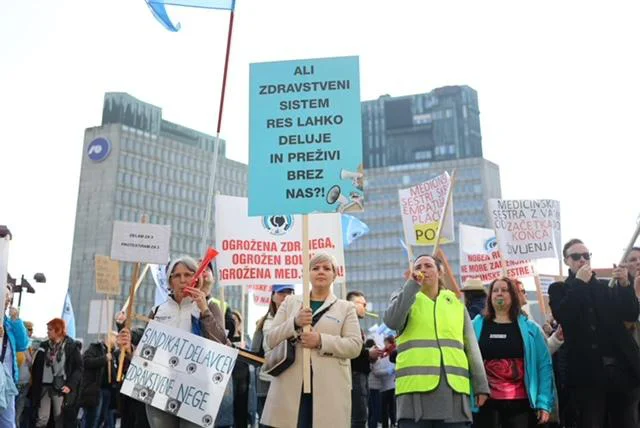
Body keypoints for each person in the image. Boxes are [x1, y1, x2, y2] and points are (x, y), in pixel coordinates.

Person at [118, 255, 228, 428]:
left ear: (196, 277)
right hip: (160, 389)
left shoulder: (209, 306)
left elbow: (222, 345)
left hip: (195, 392)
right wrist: (129, 348)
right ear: (169, 281)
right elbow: (145, 355)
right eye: (176, 276)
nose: (182, 280)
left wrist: (204, 310)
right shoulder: (157, 310)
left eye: (188, 274)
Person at [384, 254, 489, 427]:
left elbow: (471, 347)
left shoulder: (456, 304)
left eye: (428, 266)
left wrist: (481, 386)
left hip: (453, 391)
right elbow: (392, 321)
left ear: (440, 273)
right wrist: (411, 287)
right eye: (417, 267)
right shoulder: (404, 297)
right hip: (414, 393)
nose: (422, 270)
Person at [261, 252, 362, 428]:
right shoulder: (290, 302)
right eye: (315, 268)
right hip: (290, 387)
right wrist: (294, 322)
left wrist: (321, 340)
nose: (320, 271)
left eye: (326, 268)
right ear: (307, 274)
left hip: (329, 388)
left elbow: (354, 346)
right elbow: (269, 339)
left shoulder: (346, 308)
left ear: (334, 275)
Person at [548, 238, 640, 428]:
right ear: (567, 261)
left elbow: (630, 312)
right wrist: (580, 283)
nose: (582, 260)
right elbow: (564, 314)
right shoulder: (560, 289)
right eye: (576, 256)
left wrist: (624, 286)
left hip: (619, 371)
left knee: (626, 421)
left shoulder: (606, 287)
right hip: (587, 376)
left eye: (586, 255)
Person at [472, 277, 554, 427]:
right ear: (489, 297)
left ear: (513, 296)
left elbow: (544, 366)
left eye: (504, 290)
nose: (499, 293)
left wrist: (543, 402)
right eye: (495, 290)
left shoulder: (531, 329)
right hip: (485, 404)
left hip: (521, 405)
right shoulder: (476, 325)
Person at [251, 284, 295, 425]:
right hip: (266, 379)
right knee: (266, 421)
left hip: (290, 377)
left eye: (290, 292)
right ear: (273, 296)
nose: (286, 296)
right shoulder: (262, 322)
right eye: (282, 293)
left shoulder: (299, 319)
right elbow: (255, 351)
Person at [30, 318, 83, 428]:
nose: (47, 332)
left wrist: (70, 385)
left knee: (59, 418)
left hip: (60, 387)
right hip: (44, 385)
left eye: (50, 329)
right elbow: (36, 367)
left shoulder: (70, 346)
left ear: (58, 330)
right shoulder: (44, 345)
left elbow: (78, 368)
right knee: (42, 418)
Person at [347, 290, 382, 428]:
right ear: (351, 304)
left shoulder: (355, 325)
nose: (366, 308)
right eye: (363, 304)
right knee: (359, 417)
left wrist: (370, 356)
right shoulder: (348, 324)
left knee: (361, 416)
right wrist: (368, 354)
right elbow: (350, 350)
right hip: (355, 376)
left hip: (360, 375)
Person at [0, 287, 29, 427]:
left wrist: (16, 320)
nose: (6, 300)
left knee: (8, 422)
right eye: (4, 296)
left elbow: (22, 344)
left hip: (7, 380)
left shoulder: (9, 324)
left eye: (8, 297)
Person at [79, 332, 117, 428]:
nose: (117, 339)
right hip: (96, 390)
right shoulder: (95, 348)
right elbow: (86, 362)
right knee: (93, 418)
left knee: (101, 418)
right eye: (115, 337)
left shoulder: (113, 353)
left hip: (107, 390)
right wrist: (104, 359)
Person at [373, 336, 396, 428]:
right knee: (389, 408)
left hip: (390, 385)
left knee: (390, 408)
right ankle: (391, 424)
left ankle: (392, 424)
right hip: (386, 385)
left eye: (385, 343)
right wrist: (388, 371)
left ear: (389, 342)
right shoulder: (384, 353)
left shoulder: (391, 352)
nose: (385, 345)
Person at [16, 320, 35, 428]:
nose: (30, 332)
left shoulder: (30, 346)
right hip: (15, 383)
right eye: (28, 329)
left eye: (31, 330)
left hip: (26, 383)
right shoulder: (18, 344)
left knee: (19, 411)